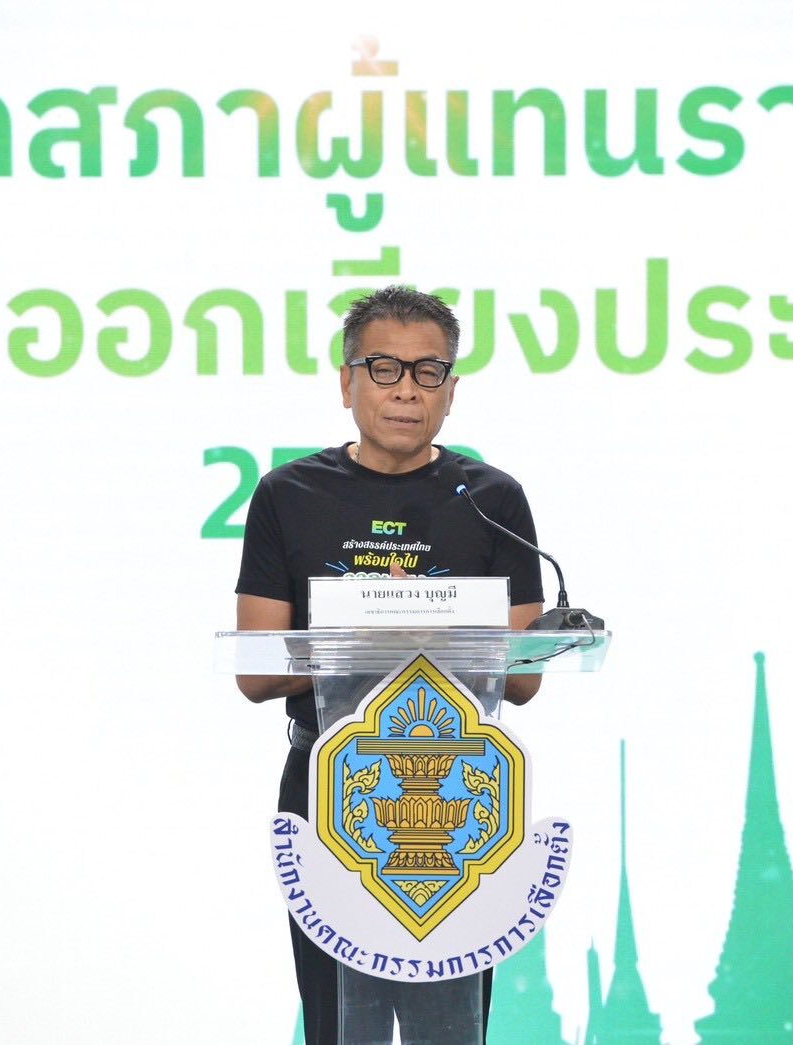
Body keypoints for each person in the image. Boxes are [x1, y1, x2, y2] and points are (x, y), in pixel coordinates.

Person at [234, 285, 546, 1044]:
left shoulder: (491, 499)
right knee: (339, 1024)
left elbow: (523, 676)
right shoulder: (288, 495)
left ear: (450, 390)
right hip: (329, 783)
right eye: (384, 368)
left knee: (449, 1026)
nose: (407, 389)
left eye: (427, 371)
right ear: (347, 382)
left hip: (461, 791)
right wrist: (379, 633)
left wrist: (421, 632)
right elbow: (256, 669)